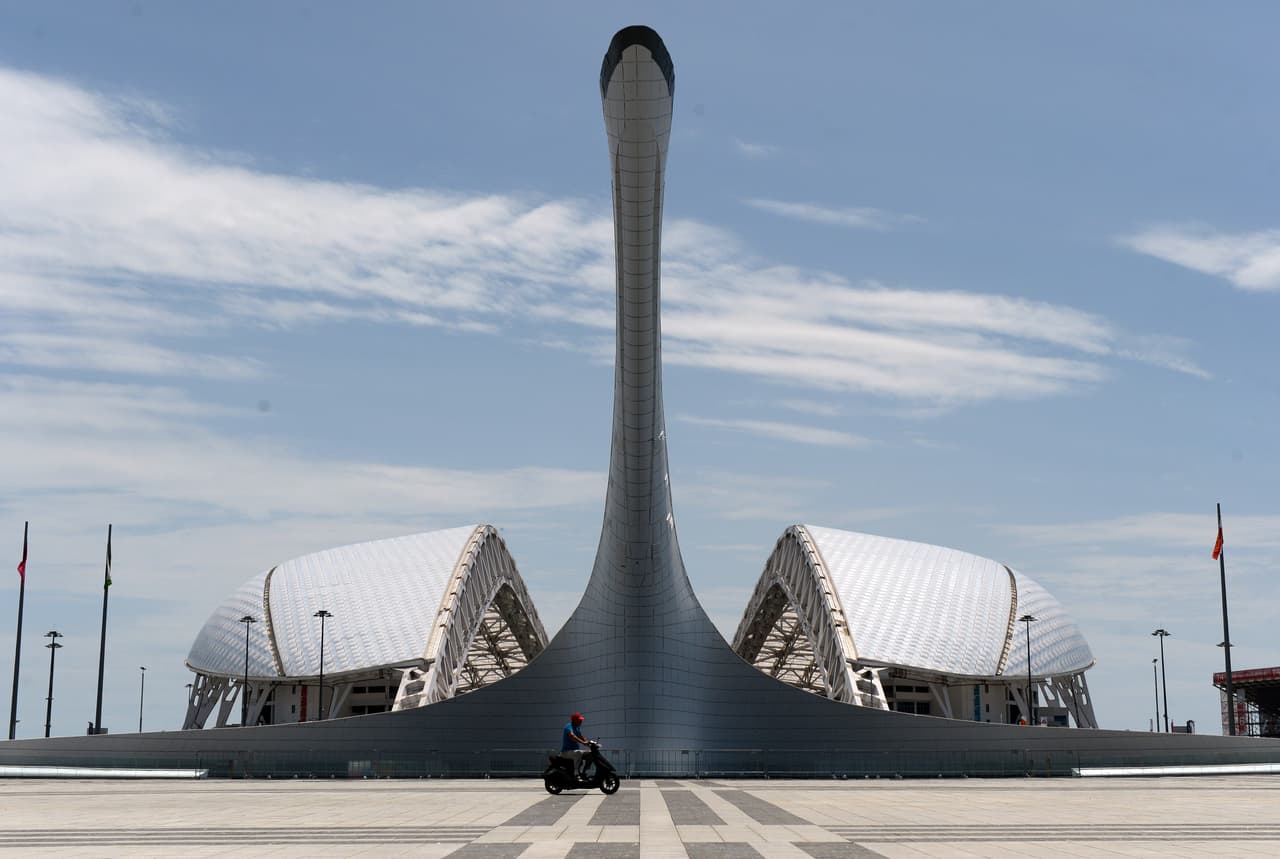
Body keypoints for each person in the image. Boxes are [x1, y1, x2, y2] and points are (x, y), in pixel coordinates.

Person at [559, 712, 590, 778]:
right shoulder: (568, 727)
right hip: (566, 752)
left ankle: (584, 771)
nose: (581, 721)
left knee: (590, 754)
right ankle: (576, 772)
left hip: (573, 752)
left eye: (581, 720)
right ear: (574, 720)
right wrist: (583, 743)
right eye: (580, 720)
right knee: (578, 753)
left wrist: (589, 742)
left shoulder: (577, 728)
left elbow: (581, 736)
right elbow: (572, 736)